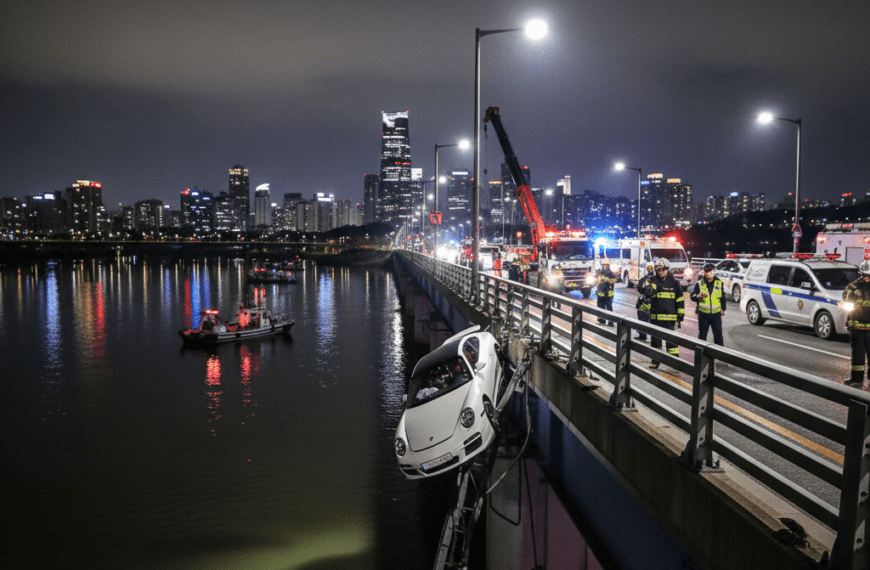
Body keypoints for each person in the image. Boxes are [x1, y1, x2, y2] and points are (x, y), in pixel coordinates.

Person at [645, 258, 685, 369]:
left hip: (669, 318)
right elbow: (645, 293)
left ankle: (674, 362)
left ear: (667, 269)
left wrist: (680, 314)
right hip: (655, 318)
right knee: (655, 342)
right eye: (658, 270)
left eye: (663, 270)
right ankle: (655, 361)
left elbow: (680, 299)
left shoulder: (674, 283)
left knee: (671, 342)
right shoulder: (652, 281)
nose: (660, 272)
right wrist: (648, 289)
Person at [843, 260, 870, 387]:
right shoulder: (854, 286)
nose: (866, 278)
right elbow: (845, 295)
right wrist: (853, 294)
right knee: (858, 355)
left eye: (869, 275)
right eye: (864, 275)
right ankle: (857, 380)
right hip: (856, 326)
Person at [690, 263, 726, 346]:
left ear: (714, 272)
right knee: (702, 336)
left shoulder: (719, 283)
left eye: (710, 271)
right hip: (703, 315)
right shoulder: (699, 283)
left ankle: (720, 354)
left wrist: (723, 310)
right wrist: (698, 296)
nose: (708, 273)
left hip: (716, 315)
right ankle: (700, 355)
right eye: (706, 271)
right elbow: (692, 296)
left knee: (718, 336)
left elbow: (722, 297)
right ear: (704, 272)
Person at [634, 262, 656, 340]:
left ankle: (655, 339)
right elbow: (639, 288)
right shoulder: (644, 279)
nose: (650, 270)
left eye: (651, 268)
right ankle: (642, 335)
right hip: (645, 302)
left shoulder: (656, 279)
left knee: (653, 321)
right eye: (648, 268)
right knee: (641, 316)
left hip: (654, 303)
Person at [596, 258, 618, 325]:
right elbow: (596, 280)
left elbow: (615, 280)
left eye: (606, 265)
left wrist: (608, 280)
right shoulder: (599, 273)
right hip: (601, 292)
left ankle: (610, 321)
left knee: (609, 307)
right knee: (601, 306)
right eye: (604, 265)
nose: (605, 267)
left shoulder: (611, 274)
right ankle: (602, 319)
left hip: (608, 293)